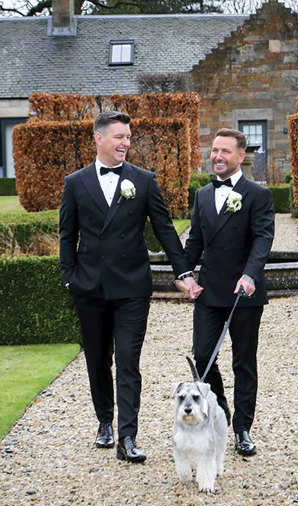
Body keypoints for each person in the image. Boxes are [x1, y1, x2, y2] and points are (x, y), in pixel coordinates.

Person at [59, 111, 197, 463]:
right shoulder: (75, 182)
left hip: (132, 287)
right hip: (89, 287)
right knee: (97, 360)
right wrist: (69, 277)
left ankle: (127, 437)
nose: (125, 142)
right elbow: (67, 234)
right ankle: (104, 421)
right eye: (119, 136)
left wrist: (183, 273)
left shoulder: (144, 180)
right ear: (99, 139)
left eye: (128, 137)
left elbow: (166, 230)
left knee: (128, 362)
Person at [178, 128, 275, 456]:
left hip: (244, 294)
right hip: (210, 291)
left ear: (241, 156)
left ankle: (243, 429)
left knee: (244, 362)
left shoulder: (258, 196)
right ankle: (220, 415)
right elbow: (194, 243)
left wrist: (250, 276)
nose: (217, 156)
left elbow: (263, 240)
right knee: (203, 355)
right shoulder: (202, 195)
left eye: (225, 151)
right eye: (214, 150)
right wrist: (184, 274)